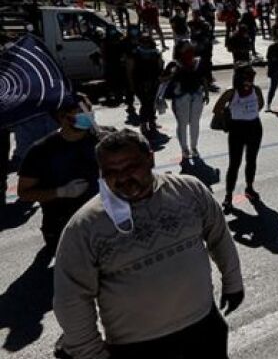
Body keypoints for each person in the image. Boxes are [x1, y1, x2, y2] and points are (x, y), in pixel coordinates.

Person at [53, 129, 244, 359]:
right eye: (111, 172)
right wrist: (91, 354)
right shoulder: (84, 227)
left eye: (130, 167)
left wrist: (233, 282)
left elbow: (219, 236)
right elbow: (72, 299)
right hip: (138, 348)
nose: (122, 177)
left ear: (150, 159)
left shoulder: (188, 190)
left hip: (203, 327)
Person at [16, 96, 101, 256]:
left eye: (88, 114)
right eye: (78, 116)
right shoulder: (40, 151)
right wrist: (60, 192)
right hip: (62, 225)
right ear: (61, 118)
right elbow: (24, 193)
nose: (85, 120)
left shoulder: (102, 139)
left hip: (102, 220)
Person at [213, 66, 264, 213]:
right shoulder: (231, 92)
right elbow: (217, 109)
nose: (250, 81)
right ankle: (228, 196)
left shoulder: (257, 90)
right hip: (237, 129)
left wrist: (247, 112)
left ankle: (249, 187)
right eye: (247, 77)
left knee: (252, 159)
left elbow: (260, 105)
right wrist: (229, 118)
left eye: (251, 77)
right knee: (234, 163)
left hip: (254, 127)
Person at [164, 42, 210, 163]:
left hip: (196, 96)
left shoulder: (198, 62)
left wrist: (206, 92)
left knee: (195, 123)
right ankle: (185, 149)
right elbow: (163, 79)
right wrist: (173, 75)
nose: (190, 50)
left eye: (190, 48)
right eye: (186, 48)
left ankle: (194, 147)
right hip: (181, 98)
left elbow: (203, 78)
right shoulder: (174, 64)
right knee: (182, 124)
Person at [128, 33, 162, 136]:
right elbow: (130, 69)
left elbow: (160, 67)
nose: (146, 44)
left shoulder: (156, 53)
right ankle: (144, 124)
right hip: (140, 83)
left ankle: (151, 122)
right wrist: (131, 84)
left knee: (151, 103)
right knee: (146, 103)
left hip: (153, 82)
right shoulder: (135, 53)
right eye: (144, 41)